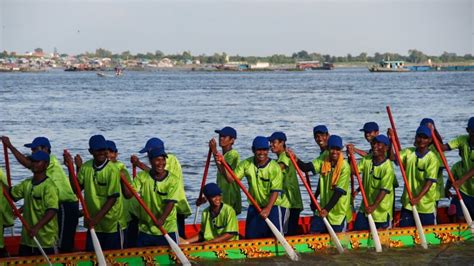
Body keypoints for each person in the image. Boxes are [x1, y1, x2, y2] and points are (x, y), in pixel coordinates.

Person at [1, 136, 79, 253]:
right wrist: (20, 211)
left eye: (35, 149)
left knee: (64, 245)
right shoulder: (30, 182)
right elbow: (34, 197)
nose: (33, 153)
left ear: (45, 149)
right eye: (32, 151)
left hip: (65, 205)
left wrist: (10, 146)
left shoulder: (50, 160)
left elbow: (28, 163)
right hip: (55, 203)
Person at [217, 136, 289, 239]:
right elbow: (231, 179)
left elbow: (275, 191)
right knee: (251, 238)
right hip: (254, 207)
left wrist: (267, 209)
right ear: (253, 150)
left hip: (272, 207)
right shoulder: (246, 164)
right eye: (258, 150)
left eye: (264, 150)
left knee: (276, 239)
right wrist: (222, 164)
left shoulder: (274, 167)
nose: (262, 153)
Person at [64, 134, 124, 251]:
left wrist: (95, 219)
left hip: (111, 224)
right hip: (93, 224)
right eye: (98, 150)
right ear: (91, 151)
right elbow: (76, 189)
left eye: (103, 150)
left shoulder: (112, 170)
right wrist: (70, 167)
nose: (102, 153)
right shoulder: (86, 167)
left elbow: (112, 198)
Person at [131, 137, 191, 238]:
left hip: (176, 206)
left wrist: (139, 164)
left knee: (180, 239)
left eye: (149, 153)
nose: (148, 156)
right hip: (161, 207)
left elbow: (158, 173)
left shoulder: (170, 160)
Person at [9, 151, 59, 256]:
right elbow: (11, 195)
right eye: (32, 161)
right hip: (27, 240)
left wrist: (37, 227)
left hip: (46, 241)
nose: (34, 164)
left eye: (37, 162)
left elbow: (52, 210)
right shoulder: (26, 183)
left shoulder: (49, 187)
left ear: (46, 164)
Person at [304, 135, 352, 233]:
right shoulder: (324, 159)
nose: (334, 152)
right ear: (328, 149)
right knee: (314, 232)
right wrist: (295, 159)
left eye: (337, 149)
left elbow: (338, 192)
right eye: (332, 149)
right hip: (323, 207)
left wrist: (326, 209)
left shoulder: (345, 167)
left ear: (341, 150)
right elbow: (306, 168)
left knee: (339, 242)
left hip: (338, 212)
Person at [133, 147, 179, 247]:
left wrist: (162, 219)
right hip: (146, 228)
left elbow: (171, 202)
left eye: (163, 159)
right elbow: (129, 194)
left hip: (167, 228)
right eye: (157, 160)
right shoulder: (142, 177)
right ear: (150, 161)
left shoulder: (173, 180)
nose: (161, 163)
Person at [350, 135, 395, 230]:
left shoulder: (388, 168)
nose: (375, 146)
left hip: (381, 211)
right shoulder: (367, 159)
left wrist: (373, 206)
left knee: (382, 241)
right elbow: (354, 172)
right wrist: (351, 156)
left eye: (379, 144)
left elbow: (384, 190)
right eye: (374, 143)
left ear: (386, 148)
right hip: (365, 207)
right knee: (356, 232)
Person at [397, 126, 439, 227]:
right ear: (415, 138)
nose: (421, 140)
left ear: (429, 140)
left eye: (425, 138)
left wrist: (417, 198)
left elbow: (429, 182)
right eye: (419, 137)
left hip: (425, 205)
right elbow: (392, 158)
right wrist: (391, 140)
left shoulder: (432, 159)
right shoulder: (408, 152)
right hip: (408, 203)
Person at [197, 127, 241, 214]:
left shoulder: (233, 154)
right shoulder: (222, 156)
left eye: (224, 137)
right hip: (222, 196)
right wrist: (206, 198)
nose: (221, 138)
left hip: (230, 197)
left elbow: (223, 171)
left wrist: (214, 150)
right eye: (220, 136)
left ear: (232, 140)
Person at [268, 131, 303, 236]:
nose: (271, 145)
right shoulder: (279, 158)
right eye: (270, 142)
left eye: (274, 142)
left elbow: (277, 170)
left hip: (289, 202)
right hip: (288, 202)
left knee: (286, 233)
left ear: (282, 143)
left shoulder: (285, 157)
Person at [106, 140, 136, 248]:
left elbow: (129, 194)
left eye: (111, 152)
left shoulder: (122, 170)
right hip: (106, 217)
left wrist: (122, 179)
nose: (108, 155)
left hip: (123, 216)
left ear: (116, 154)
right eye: (106, 152)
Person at [419, 118, 445, 204]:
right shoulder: (419, 146)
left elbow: (440, 167)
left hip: (434, 187)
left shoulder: (436, 147)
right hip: (420, 186)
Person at [445, 156, 474, 222]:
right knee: (454, 204)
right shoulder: (457, 166)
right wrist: (446, 190)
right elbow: (450, 181)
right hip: (463, 193)